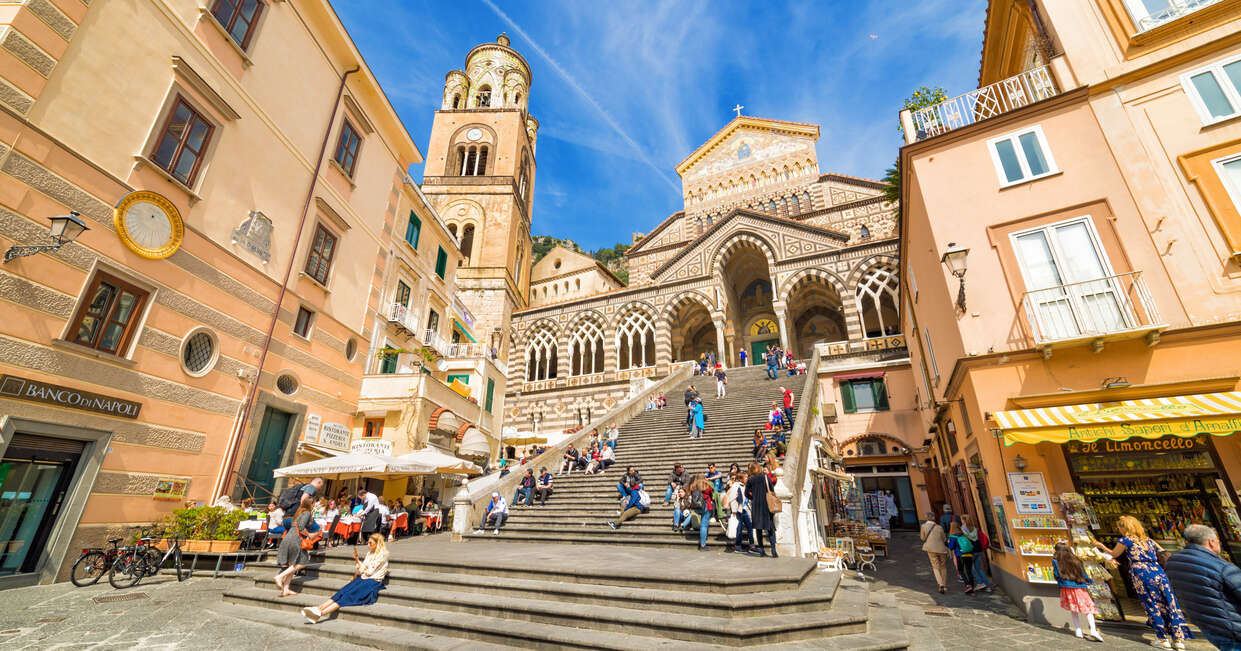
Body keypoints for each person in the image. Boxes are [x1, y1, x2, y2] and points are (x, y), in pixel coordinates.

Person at [1094, 516, 1191, 650]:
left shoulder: (1125, 540)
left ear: (1125, 528)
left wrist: (1101, 546)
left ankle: (1162, 639)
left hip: (1142, 573)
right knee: (1169, 602)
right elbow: (1163, 552)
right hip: (1158, 572)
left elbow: (1114, 554)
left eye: (1120, 526)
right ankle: (1178, 639)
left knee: (1151, 603)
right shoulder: (1149, 540)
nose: (1118, 529)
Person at [1165, 524, 1241, 651]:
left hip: (1209, 627)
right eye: (1218, 541)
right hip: (1233, 630)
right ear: (1211, 542)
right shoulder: (1223, 567)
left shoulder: (1173, 562)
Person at [302, 533, 389, 623]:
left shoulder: (382, 555)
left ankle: (320, 613)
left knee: (348, 595)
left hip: (373, 581)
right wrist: (357, 560)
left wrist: (363, 569)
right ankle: (319, 608)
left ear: (377, 544)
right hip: (364, 578)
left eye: (370, 543)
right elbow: (363, 569)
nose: (368, 545)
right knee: (343, 592)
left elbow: (369, 572)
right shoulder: (369, 553)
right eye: (368, 542)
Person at [1053, 542, 1104, 642]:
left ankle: (1078, 630)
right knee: (1088, 609)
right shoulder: (1076, 559)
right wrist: (1088, 581)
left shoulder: (1055, 561)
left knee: (1074, 609)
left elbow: (1056, 574)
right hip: (1079, 586)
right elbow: (1083, 573)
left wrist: (1060, 581)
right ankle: (1093, 630)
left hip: (1066, 587)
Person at [274, 503, 314, 597]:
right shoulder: (307, 513)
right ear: (310, 504)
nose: (314, 505)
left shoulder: (298, 513)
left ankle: (286, 589)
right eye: (313, 503)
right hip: (296, 539)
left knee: (292, 564)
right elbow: (301, 527)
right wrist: (309, 535)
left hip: (288, 537)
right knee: (303, 562)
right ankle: (279, 576)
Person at [745, 461, 777, 557]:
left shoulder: (750, 480)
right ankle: (773, 549)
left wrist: (753, 498)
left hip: (756, 506)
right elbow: (772, 490)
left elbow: (746, 493)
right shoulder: (765, 477)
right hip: (767, 505)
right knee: (770, 528)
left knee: (758, 529)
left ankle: (762, 550)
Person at [959, 514, 993, 592]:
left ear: (964, 520)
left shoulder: (963, 529)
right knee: (979, 569)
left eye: (961, 519)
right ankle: (988, 586)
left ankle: (980, 582)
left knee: (970, 569)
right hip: (979, 549)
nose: (961, 521)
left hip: (971, 551)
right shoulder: (974, 528)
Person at [920, 512, 949, 594]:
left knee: (935, 567)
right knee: (943, 567)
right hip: (941, 549)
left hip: (931, 548)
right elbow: (944, 538)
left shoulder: (923, 526)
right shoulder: (939, 527)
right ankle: (945, 585)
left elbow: (922, 538)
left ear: (926, 518)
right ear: (934, 518)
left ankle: (940, 584)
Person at [946, 522, 977, 593]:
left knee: (960, 571)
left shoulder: (952, 537)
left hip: (960, 555)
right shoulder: (964, 534)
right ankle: (972, 587)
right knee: (969, 571)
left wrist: (946, 543)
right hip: (969, 554)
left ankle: (968, 585)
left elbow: (951, 547)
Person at [725, 471, 751, 553]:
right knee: (739, 528)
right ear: (741, 478)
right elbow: (732, 499)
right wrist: (734, 510)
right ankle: (738, 546)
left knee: (748, 527)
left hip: (743, 509)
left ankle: (749, 545)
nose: (747, 478)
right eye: (746, 477)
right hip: (738, 511)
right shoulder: (736, 486)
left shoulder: (743, 485)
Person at [688, 474, 713, 551]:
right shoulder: (707, 485)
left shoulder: (693, 486)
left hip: (697, 507)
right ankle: (703, 545)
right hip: (706, 506)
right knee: (704, 525)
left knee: (703, 524)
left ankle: (703, 541)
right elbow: (711, 494)